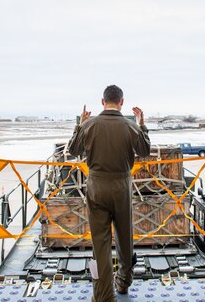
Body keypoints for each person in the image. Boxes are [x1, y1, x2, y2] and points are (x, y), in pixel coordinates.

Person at [67, 85, 151, 302]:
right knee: (125, 238)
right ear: (121, 102)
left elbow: (73, 150)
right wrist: (142, 123)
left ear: (102, 102)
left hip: (96, 187)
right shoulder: (129, 126)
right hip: (122, 186)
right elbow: (144, 150)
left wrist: (80, 124)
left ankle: (103, 295)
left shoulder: (90, 125)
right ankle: (123, 282)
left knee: (100, 243)